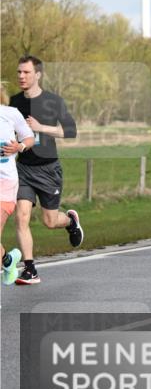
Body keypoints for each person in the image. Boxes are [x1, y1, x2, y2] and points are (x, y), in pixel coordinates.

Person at [10, 56, 83, 285]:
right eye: (19, 72)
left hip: (48, 169)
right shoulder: (14, 102)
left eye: (26, 73)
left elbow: (70, 131)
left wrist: (41, 128)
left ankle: (70, 221)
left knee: (50, 221)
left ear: (38, 75)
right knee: (21, 216)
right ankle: (30, 270)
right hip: (23, 168)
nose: (21, 76)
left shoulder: (53, 101)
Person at [1, 83, 35, 285]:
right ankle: (8, 259)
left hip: (4, 183)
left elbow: (30, 137)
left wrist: (19, 146)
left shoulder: (11, 113)